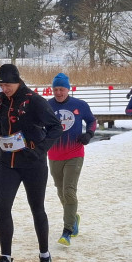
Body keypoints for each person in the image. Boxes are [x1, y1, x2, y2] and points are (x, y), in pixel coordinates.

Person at [0, 64, 62, 262]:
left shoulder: (33, 100)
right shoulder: (0, 100)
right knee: (3, 207)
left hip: (32, 163)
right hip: (8, 163)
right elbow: (0, 128)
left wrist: (39, 149)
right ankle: (6, 258)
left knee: (37, 209)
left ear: (18, 81)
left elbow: (56, 127)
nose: (5, 88)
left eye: (8, 84)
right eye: (1, 85)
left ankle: (44, 257)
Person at [47, 73, 97, 246]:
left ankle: (67, 230)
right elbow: (37, 125)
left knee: (69, 190)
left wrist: (89, 134)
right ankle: (73, 216)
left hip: (74, 153)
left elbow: (92, 121)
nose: (59, 92)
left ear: (68, 89)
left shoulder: (79, 105)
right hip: (53, 154)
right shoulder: (47, 105)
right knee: (61, 191)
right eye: (56, 89)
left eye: (62, 89)